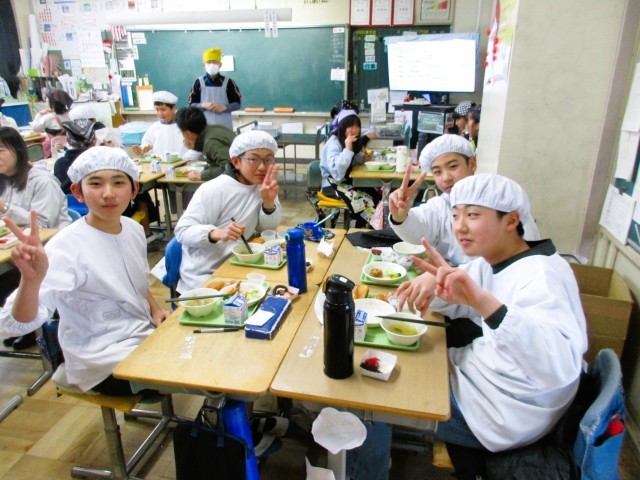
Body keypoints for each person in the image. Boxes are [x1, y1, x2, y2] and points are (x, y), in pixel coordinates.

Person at [394, 173, 587, 456]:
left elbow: (558, 365)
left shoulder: (542, 276)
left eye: (472, 215)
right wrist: (434, 285)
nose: (460, 227)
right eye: (456, 215)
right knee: (394, 361)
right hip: (477, 377)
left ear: (511, 220)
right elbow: (462, 293)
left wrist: (486, 305)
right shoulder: (497, 260)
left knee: (370, 395)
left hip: (497, 412)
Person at [0, 147, 169, 395]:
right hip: (101, 358)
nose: (108, 193)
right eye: (96, 184)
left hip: (142, 333)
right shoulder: (66, 247)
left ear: (134, 189)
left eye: (118, 183)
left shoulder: (132, 229)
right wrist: (30, 281)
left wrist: (155, 309)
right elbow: (14, 323)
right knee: (190, 372)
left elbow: (137, 281)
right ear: (78, 192)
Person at [389, 134, 540, 267]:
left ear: (472, 164)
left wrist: (448, 272)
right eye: (437, 172)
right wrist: (400, 217)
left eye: (453, 166)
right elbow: (421, 225)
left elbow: (512, 266)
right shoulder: (443, 204)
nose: (446, 177)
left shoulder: (500, 201)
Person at [174, 130, 281, 293]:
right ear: (236, 161)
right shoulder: (214, 189)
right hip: (205, 277)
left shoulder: (264, 186)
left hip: (238, 266)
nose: (262, 167)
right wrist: (215, 233)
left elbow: (267, 228)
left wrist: (268, 202)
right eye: (253, 159)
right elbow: (182, 231)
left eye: (268, 160)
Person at [0, 126, 72, 349]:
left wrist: (5, 208)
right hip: (15, 248)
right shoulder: (3, 180)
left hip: (50, 247)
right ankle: (19, 323)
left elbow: (42, 225)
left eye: (1, 150)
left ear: (18, 150)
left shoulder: (41, 181)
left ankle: (32, 327)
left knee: (10, 274)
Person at [319, 109, 378, 226]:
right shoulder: (334, 142)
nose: (355, 129)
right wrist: (348, 147)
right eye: (350, 126)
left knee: (374, 193)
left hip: (344, 182)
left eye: (357, 126)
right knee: (364, 201)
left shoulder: (346, 140)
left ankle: (363, 222)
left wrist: (362, 158)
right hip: (331, 184)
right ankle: (356, 224)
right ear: (342, 127)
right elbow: (336, 170)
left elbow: (351, 158)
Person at [131, 91, 200, 161]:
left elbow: (197, 148)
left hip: (185, 165)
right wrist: (141, 151)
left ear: (173, 108)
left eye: (163, 110)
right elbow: (147, 148)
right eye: (157, 110)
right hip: (161, 166)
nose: (160, 113)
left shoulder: (186, 125)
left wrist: (183, 160)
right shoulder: (154, 127)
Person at [176, 106, 235, 181]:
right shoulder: (214, 128)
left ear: (188, 133)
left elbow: (229, 169)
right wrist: (195, 147)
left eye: (182, 133)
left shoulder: (212, 141)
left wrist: (202, 175)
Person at [188, 47, 242, 129]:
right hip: (204, 126)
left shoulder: (229, 82)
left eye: (214, 62)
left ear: (220, 65)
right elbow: (191, 105)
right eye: (209, 62)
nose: (211, 65)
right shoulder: (198, 82)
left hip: (224, 127)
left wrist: (224, 107)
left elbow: (237, 104)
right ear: (204, 65)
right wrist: (203, 105)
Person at [54, 117, 98, 194]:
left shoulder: (60, 164)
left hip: (69, 202)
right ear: (95, 140)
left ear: (68, 141)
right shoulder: (100, 160)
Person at [31, 89, 73, 158]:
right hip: (70, 148)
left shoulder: (48, 117)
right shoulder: (71, 114)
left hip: (55, 149)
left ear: (51, 102)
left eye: (47, 98)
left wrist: (39, 114)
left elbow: (35, 128)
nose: (46, 100)